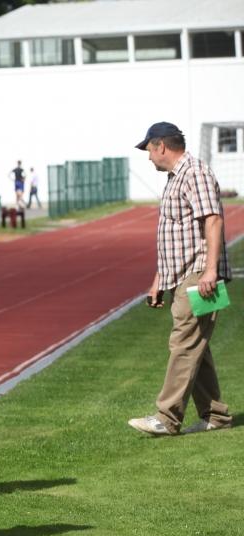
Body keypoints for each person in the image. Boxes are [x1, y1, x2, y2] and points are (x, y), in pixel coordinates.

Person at [128, 121, 232, 437]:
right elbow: (175, 234)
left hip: (199, 274)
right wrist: (160, 279)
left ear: (161, 146)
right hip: (182, 275)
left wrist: (211, 271)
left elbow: (212, 220)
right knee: (195, 345)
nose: (148, 157)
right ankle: (215, 416)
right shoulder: (176, 178)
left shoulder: (195, 173)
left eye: (148, 150)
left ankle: (167, 417)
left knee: (183, 343)